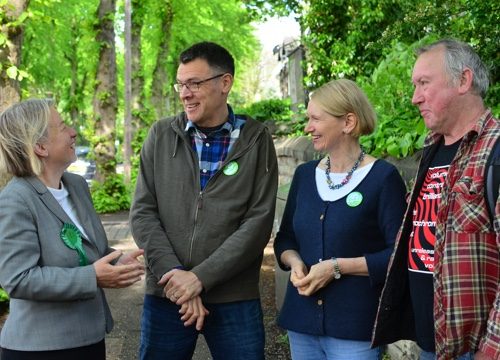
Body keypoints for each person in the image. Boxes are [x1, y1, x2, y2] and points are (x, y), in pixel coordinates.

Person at [130, 41, 278, 360]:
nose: (185, 93)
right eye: (181, 84)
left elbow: (258, 222)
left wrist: (199, 278)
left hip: (233, 298)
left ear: (225, 83)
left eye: (195, 83)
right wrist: (175, 276)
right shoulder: (160, 135)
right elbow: (143, 213)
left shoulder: (256, 139)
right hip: (167, 294)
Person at [372, 39, 500, 360]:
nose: (415, 98)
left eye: (424, 84)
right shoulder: (431, 150)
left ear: (463, 81)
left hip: (476, 348)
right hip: (430, 342)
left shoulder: (495, 152)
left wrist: (492, 349)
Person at [0, 98, 145, 360]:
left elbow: (89, 251)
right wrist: (93, 277)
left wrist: (115, 259)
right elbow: (18, 279)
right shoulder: (15, 200)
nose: (73, 132)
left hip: (89, 338)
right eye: (63, 126)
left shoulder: (76, 185)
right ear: (40, 146)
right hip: (41, 349)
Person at [273, 78, 407, 359]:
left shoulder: (383, 178)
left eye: (315, 119)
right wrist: (296, 262)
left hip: (354, 327)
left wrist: (338, 267)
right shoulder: (304, 175)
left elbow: (399, 255)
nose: (308, 127)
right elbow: (285, 239)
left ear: (347, 122)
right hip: (302, 322)